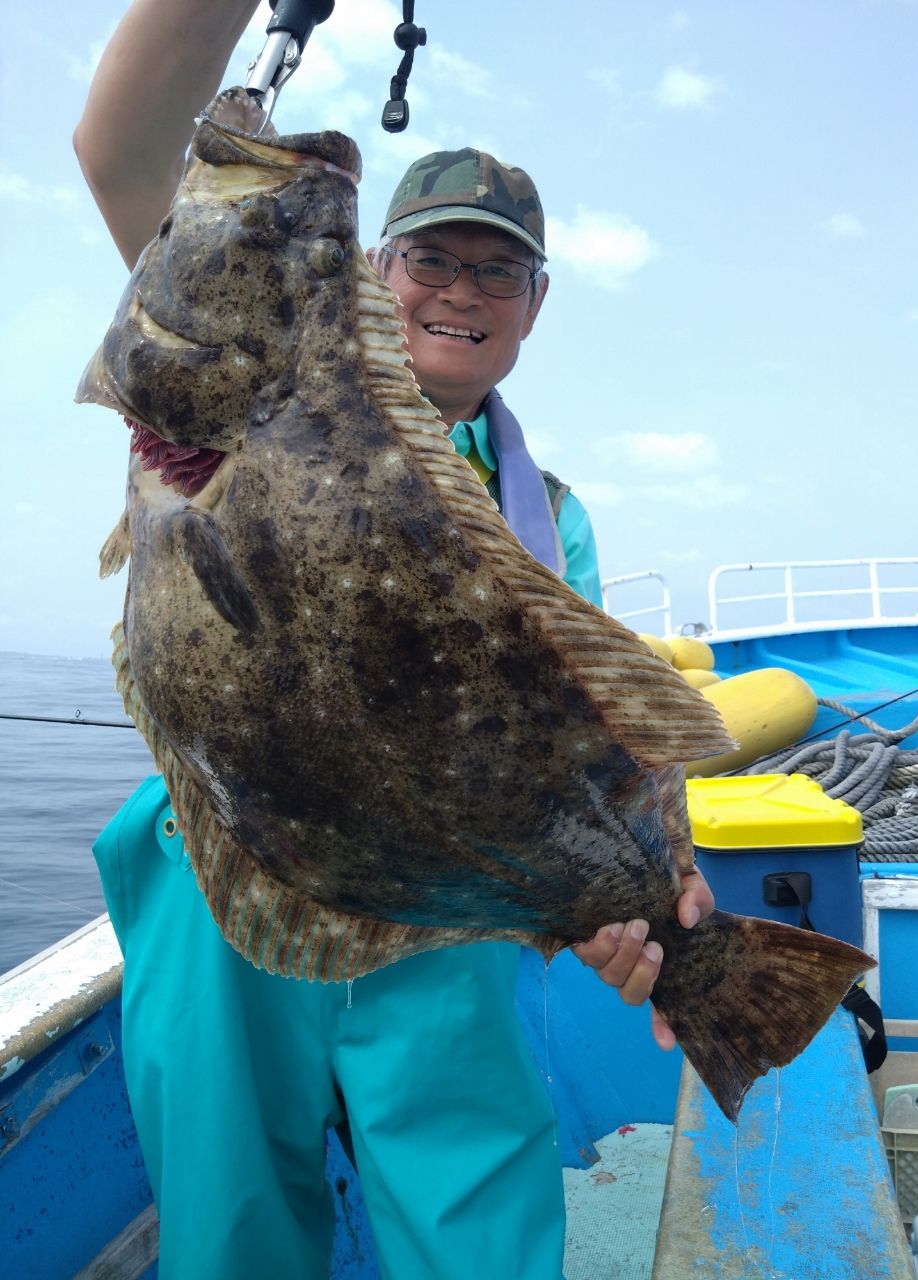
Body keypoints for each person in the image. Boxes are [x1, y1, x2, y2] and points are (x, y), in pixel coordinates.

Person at [75, 3, 715, 1277]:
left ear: (534, 303)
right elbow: (118, 143)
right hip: (226, 857)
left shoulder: (556, 521)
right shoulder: (250, 339)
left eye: (497, 271)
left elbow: (594, 741)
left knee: (479, 1238)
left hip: (441, 929)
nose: (461, 289)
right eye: (432, 258)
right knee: (229, 1231)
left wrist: (655, 887)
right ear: (375, 271)